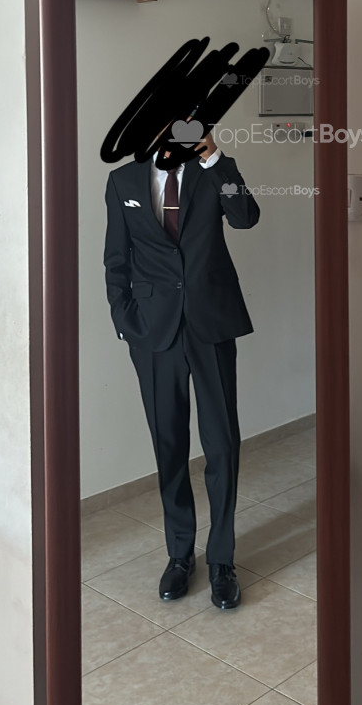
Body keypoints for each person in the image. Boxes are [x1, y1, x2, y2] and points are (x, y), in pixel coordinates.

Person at [103, 119, 260, 609]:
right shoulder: (123, 182)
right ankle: (179, 555)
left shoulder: (210, 172)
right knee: (169, 445)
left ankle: (222, 561)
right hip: (154, 333)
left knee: (222, 445)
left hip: (210, 324)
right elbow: (116, 259)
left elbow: (246, 217)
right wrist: (126, 322)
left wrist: (215, 158)